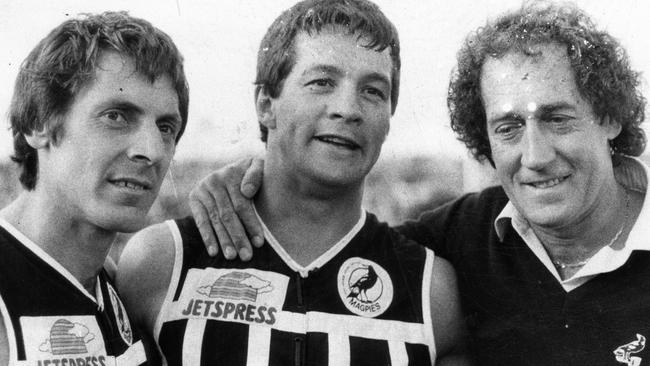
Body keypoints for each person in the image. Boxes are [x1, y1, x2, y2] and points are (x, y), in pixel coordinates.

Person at [190, 2, 650, 365]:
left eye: (557, 118)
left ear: (609, 117)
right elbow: (336, 239)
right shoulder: (463, 237)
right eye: (508, 127)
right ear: (484, 138)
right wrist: (249, 181)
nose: (535, 156)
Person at [117, 0, 471, 365]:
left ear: (389, 118)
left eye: (373, 91)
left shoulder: (431, 293)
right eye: (322, 82)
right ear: (265, 104)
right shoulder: (162, 263)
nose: (348, 109)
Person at [0, 11, 189, 365]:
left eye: (165, 127)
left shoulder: (113, 283)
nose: (151, 150)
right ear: (39, 123)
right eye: (116, 116)